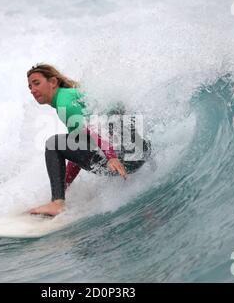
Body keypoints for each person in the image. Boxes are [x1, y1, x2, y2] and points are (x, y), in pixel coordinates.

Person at [27, 64, 152, 216]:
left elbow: (92, 129)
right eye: (30, 87)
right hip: (137, 155)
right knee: (63, 143)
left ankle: (57, 204)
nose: (32, 90)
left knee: (53, 143)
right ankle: (57, 201)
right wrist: (62, 188)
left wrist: (111, 157)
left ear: (53, 82)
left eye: (36, 83)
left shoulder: (64, 103)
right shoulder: (70, 97)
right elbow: (79, 150)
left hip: (124, 156)